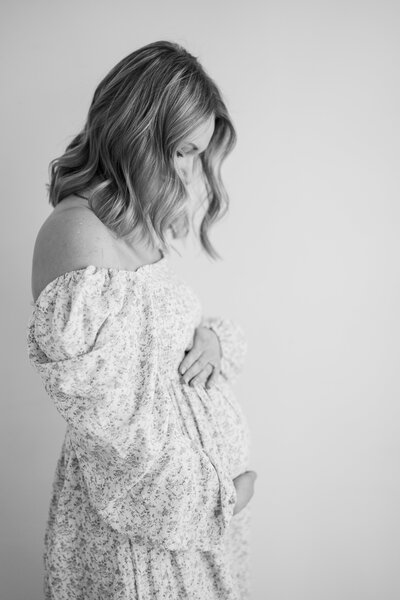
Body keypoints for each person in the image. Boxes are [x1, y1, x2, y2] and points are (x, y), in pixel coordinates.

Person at [27, 40, 257, 600]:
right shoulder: (76, 232)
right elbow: (116, 431)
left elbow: (157, 358)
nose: (190, 171)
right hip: (140, 533)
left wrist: (210, 341)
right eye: (181, 150)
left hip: (189, 531)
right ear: (136, 130)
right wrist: (220, 495)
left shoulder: (135, 228)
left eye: (198, 154)